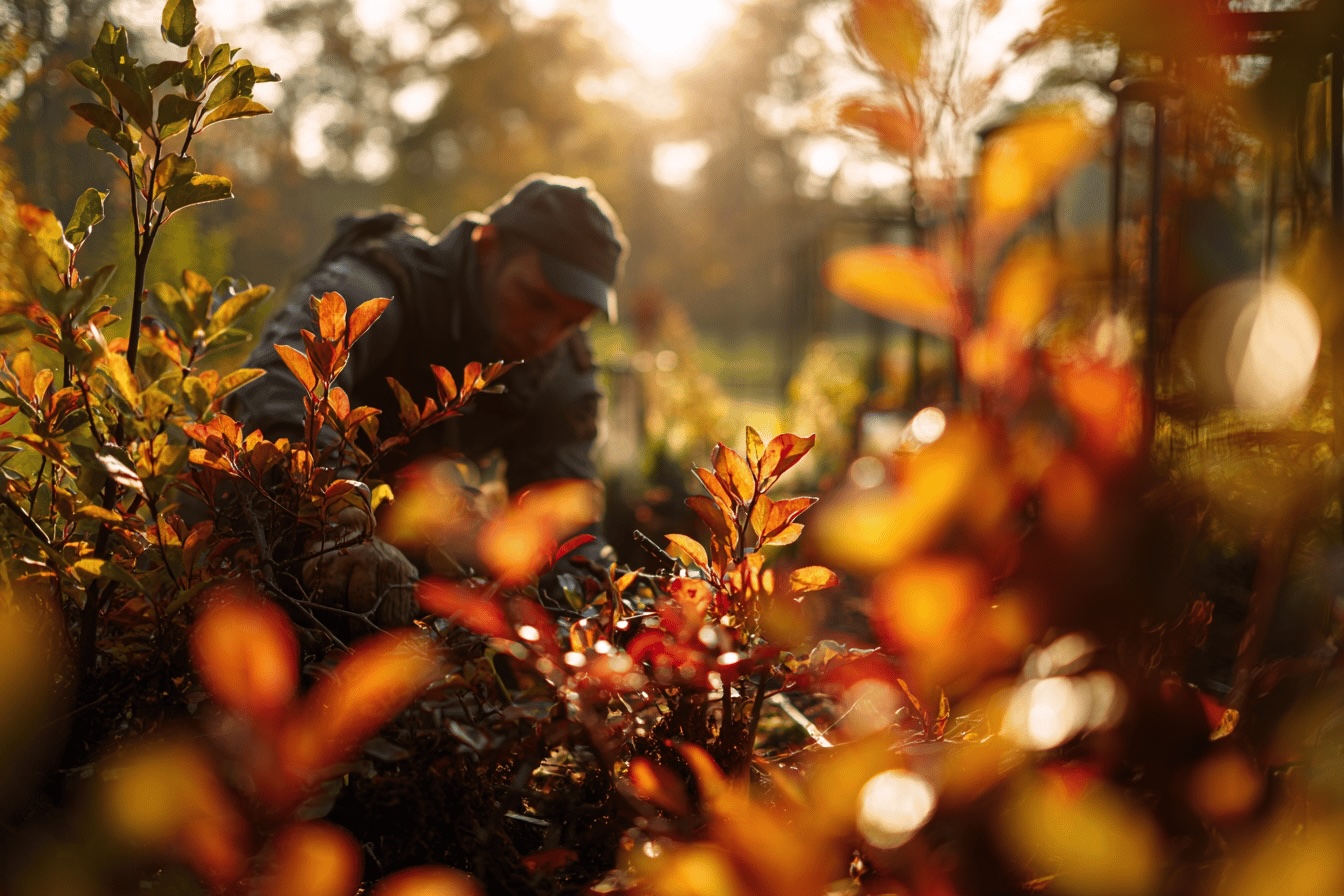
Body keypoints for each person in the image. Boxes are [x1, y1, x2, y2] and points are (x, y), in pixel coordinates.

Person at [231, 174, 626, 625]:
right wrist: (342, 521)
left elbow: (563, 519)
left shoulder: (557, 362)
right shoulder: (379, 285)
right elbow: (278, 390)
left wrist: (595, 609)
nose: (545, 335)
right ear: (488, 245)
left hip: (398, 562)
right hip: (248, 538)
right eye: (534, 300)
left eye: (572, 321)